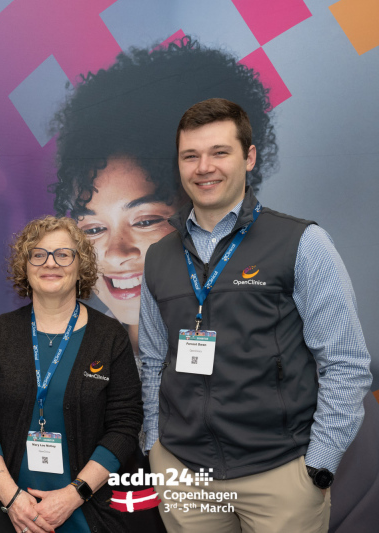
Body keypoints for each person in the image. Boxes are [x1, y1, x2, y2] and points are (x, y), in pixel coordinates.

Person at [138, 98, 373, 532]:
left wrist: (319, 464)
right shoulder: (158, 257)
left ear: (248, 157)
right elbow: (152, 361)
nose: (204, 167)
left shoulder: (302, 242)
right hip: (184, 474)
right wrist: (154, 446)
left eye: (219, 152)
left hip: (280, 474)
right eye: (190, 156)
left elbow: (345, 363)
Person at [51, 36, 277, 357]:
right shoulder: (64, 354)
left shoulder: (280, 335)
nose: (115, 254)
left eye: (145, 221)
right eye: (93, 229)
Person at [0, 216, 143, 533]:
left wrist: (75, 495)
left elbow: (125, 424)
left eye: (63, 254)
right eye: (39, 254)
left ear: (81, 266)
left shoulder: (109, 337)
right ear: (25, 266)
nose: (51, 263)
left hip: (86, 510)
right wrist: (10, 496)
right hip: (10, 511)